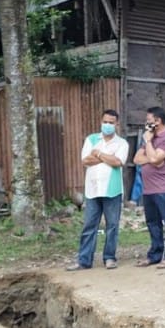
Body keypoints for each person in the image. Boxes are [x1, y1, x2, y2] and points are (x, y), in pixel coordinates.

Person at [67, 109, 129, 271]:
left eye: (111, 122)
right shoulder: (91, 139)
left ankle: (109, 258)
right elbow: (85, 160)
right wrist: (107, 157)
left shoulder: (122, 143)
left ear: (117, 124)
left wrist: (99, 154)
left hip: (113, 190)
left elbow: (118, 162)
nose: (107, 125)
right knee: (89, 225)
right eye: (105, 122)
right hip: (93, 189)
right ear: (101, 122)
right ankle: (84, 260)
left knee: (112, 225)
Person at [132, 106, 165, 269]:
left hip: (164, 189)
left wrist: (148, 145)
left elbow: (155, 159)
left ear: (158, 121)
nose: (147, 124)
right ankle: (155, 255)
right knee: (153, 223)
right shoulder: (151, 139)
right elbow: (137, 159)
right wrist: (151, 156)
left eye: (149, 121)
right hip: (148, 189)